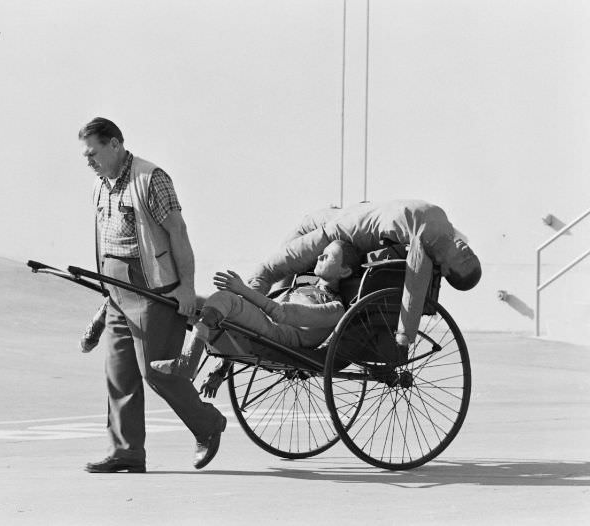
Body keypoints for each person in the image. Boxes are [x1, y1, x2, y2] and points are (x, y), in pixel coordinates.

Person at [78, 117, 226, 474]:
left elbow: (178, 233)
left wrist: (187, 289)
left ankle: (207, 424)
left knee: (156, 372)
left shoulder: (151, 179)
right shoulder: (101, 185)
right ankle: (126, 451)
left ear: (115, 144)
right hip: (116, 292)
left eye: (93, 152)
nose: (88, 160)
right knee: (119, 373)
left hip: (153, 292)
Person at [248, 199, 482, 348]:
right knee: (291, 249)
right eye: (470, 252)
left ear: (447, 268)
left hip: (333, 233)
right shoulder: (447, 231)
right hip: (338, 216)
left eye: (464, 259)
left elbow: (415, 285)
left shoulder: (425, 242)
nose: (465, 250)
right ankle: (255, 314)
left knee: (267, 270)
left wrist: (405, 334)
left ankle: (245, 317)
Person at [150, 240, 362, 380]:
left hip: (277, 336)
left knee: (226, 299)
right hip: (262, 326)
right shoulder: (303, 286)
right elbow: (243, 327)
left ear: (345, 271)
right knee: (188, 300)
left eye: (329, 256)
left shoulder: (335, 309)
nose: (320, 257)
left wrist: (242, 289)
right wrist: (222, 370)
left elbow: (282, 313)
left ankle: (187, 363)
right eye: (321, 254)